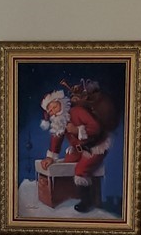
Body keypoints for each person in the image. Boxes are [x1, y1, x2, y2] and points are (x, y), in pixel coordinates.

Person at [38, 81, 114, 212]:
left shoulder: (77, 111)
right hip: (78, 149)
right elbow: (56, 139)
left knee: (80, 170)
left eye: (54, 107)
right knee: (67, 162)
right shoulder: (59, 121)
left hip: (95, 146)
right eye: (49, 111)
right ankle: (68, 194)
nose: (52, 112)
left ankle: (87, 201)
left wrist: (77, 130)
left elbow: (96, 128)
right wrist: (50, 157)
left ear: (60, 102)